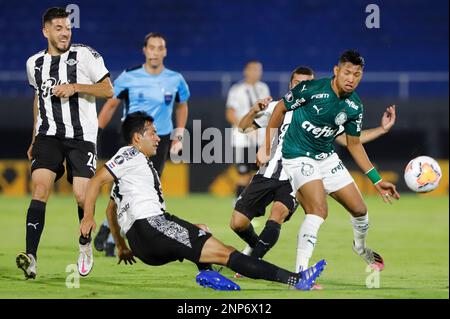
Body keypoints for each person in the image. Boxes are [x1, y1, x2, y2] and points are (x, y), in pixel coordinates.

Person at [79, 111, 326, 291]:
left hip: (143, 241)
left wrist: (121, 245)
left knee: (201, 230)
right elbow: (94, 182)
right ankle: (296, 279)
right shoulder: (129, 154)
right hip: (152, 228)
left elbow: (112, 209)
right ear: (136, 138)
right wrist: (88, 216)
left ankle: (208, 276)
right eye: (152, 133)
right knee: (227, 254)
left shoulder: (133, 171)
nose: (157, 138)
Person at [231, 66, 396, 279]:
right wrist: (254, 111)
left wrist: (381, 130)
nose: (303, 87)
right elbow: (243, 128)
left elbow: (349, 141)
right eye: (298, 83)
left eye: (307, 83)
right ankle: (254, 253)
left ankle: (253, 263)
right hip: (270, 172)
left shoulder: (322, 107)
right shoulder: (277, 108)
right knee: (238, 222)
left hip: (296, 175)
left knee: (279, 215)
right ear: (291, 85)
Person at [16, 7, 113, 279]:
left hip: (81, 138)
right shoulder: (33, 63)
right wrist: (35, 135)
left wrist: (76, 87)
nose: (65, 32)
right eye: (58, 28)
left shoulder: (85, 55)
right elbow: (39, 98)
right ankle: (31, 257)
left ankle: (84, 244)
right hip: (48, 136)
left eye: (67, 27)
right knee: (40, 189)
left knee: (82, 195)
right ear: (45, 31)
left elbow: (108, 89)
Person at [93, 32, 190, 256]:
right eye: (152, 47)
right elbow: (110, 106)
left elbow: (182, 106)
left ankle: (109, 231)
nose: (155, 52)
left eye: (160, 48)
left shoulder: (175, 79)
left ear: (165, 52)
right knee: (122, 184)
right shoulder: (129, 76)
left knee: (146, 188)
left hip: (159, 140)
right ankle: (110, 230)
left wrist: (179, 134)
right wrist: (95, 132)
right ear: (144, 50)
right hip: (133, 138)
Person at [225, 61, 271, 201]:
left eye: (259, 70)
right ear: (246, 71)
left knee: (257, 176)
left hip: (260, 139)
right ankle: (238, 205)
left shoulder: (263, 88)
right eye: (254, 69)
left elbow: (268, 112)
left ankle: (248, 207)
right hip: (242, 140)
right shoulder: (237, 89)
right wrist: (247, 128)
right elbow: (230, 113)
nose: (257, 72)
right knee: (243, 175)